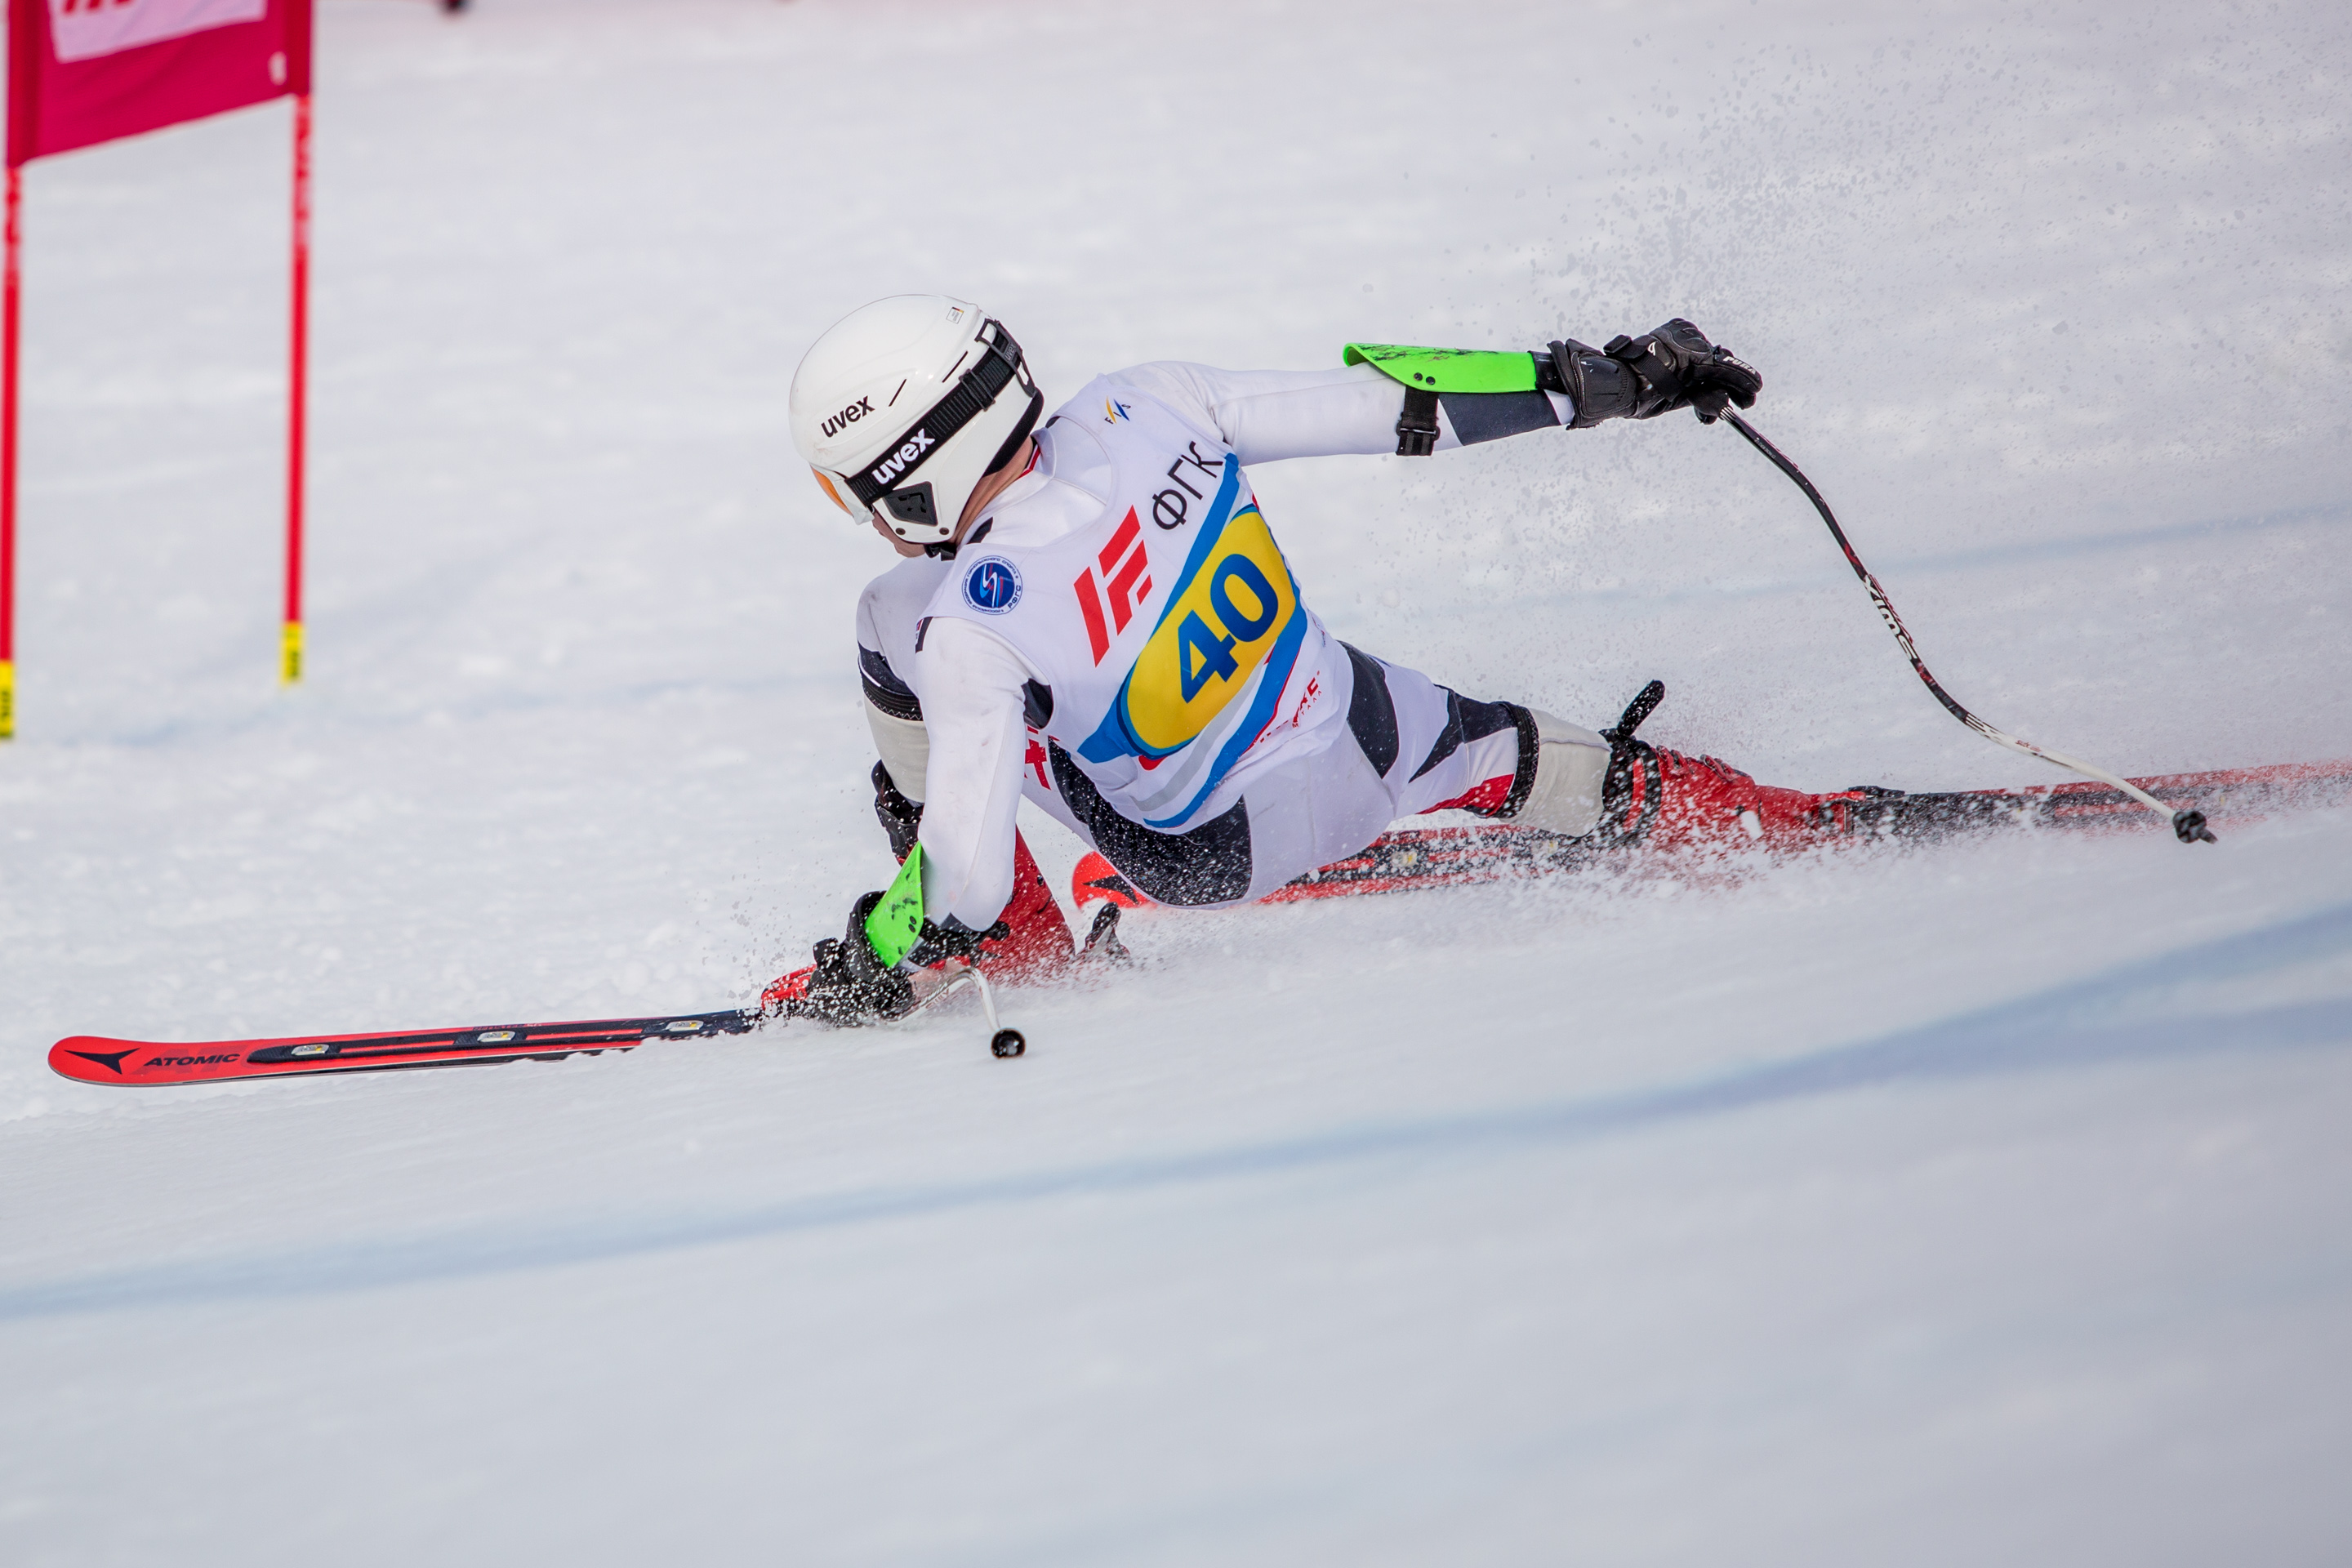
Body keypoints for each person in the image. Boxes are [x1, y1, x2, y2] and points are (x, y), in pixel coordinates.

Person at [765, 296, 1864, 1022]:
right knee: (1498, 746)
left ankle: (1009, 954)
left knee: (886, 622)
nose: (865, 518)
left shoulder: (966, 626)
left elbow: (968, 872)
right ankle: (1758, 816)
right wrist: (1607, 381)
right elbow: (1408, 403)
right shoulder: (1144, 403)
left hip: (1205, 857)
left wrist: (882, 939)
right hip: (1367, 749)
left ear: (910, 474)